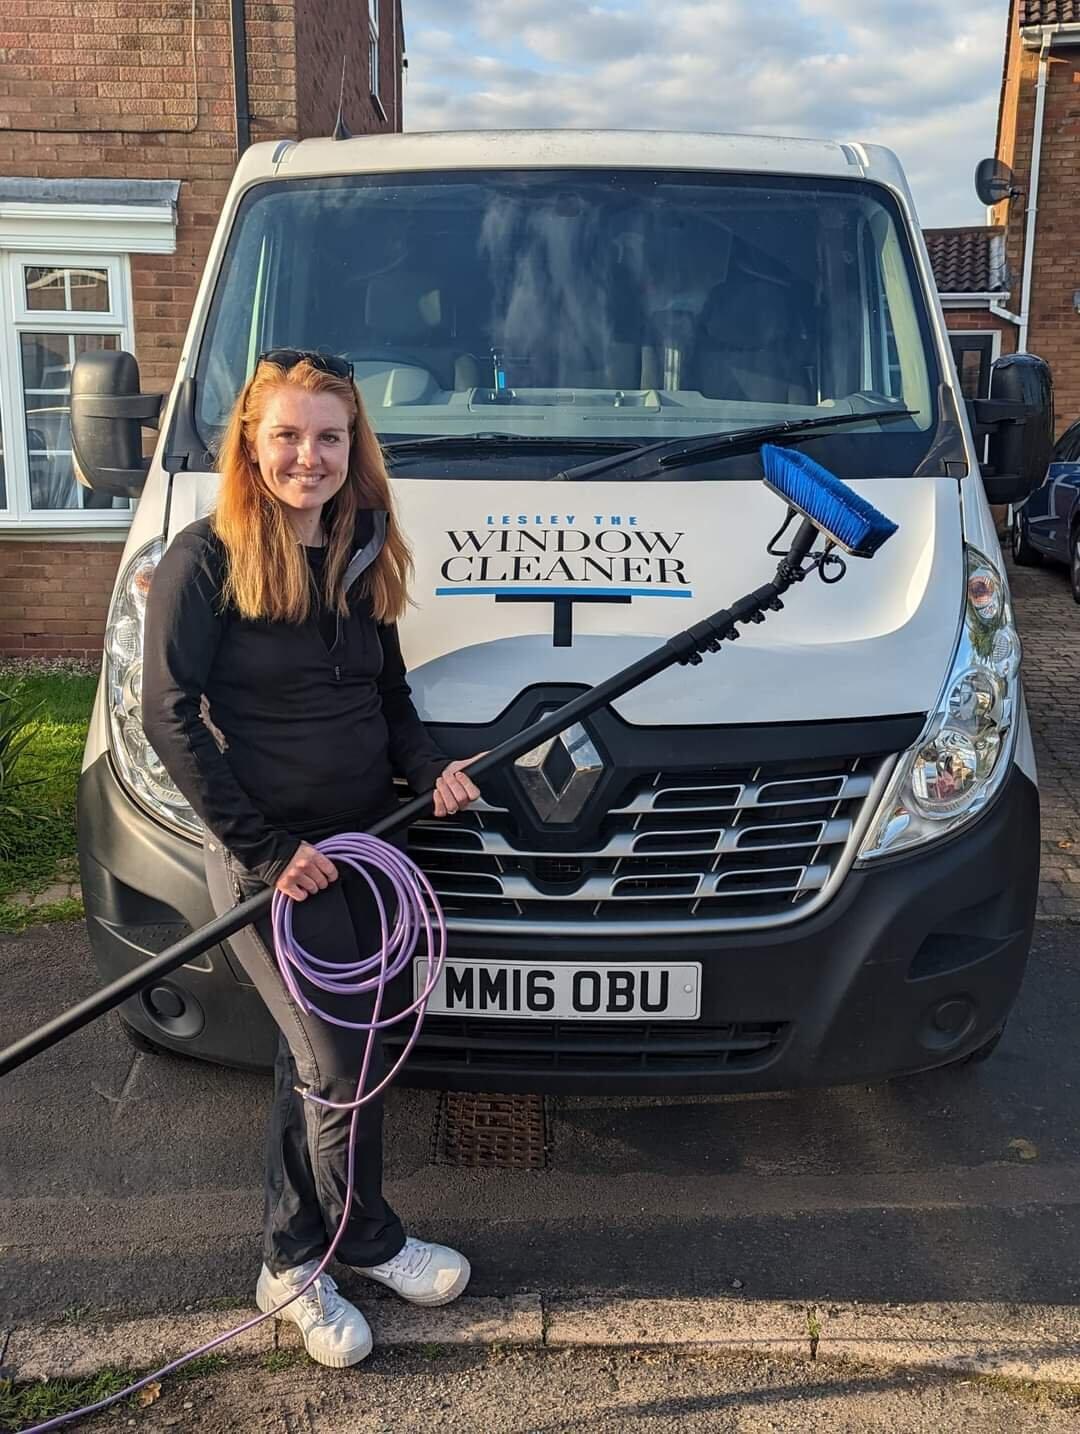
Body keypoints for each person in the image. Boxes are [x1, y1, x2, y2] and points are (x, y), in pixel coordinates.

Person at [142, 350, 482, 1369]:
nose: (309, 456)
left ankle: (365, 1235)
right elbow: (168, 718)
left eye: (329, 437)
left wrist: (430, 772)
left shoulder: (360, 547)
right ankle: (291, 1263)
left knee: (364, 1052)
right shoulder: (203, 561)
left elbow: (387, 701)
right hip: (274, 865)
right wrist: (267, 849)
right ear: (251, 439)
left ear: (353, 447)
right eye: (288, 435)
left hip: (371, 848)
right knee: (330, 1064)